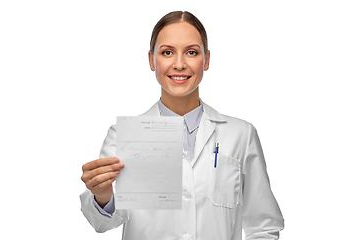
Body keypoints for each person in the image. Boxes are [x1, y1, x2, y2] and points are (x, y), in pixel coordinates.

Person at [80, 11, 284, 240]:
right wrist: (102, 196)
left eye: (191, 52)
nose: (179, 64)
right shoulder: (124, 137)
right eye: (167, 52)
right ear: (151, 60)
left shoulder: (240, 135)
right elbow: (104, 223)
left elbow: (264, 226)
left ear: (206, 60)